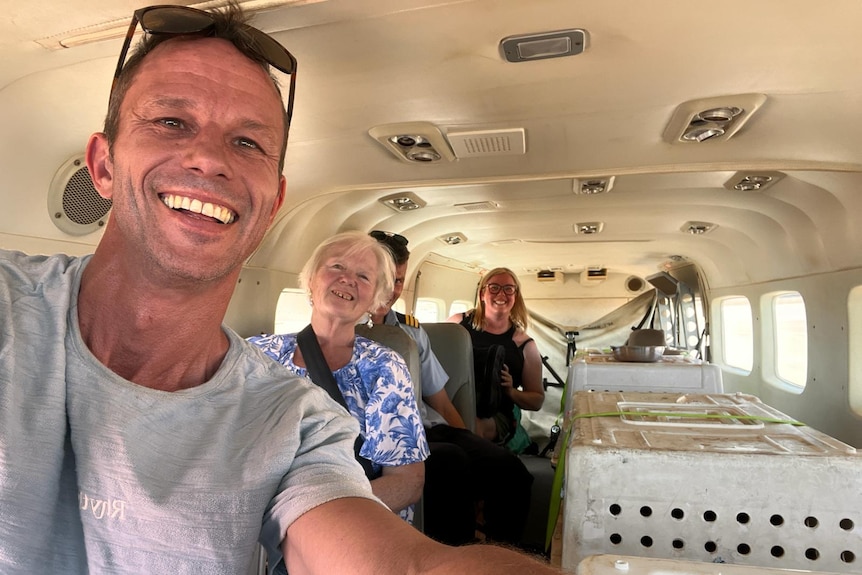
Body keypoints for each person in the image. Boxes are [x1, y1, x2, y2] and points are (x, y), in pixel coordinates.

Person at [0, 4, 564, 574]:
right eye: (171, 122)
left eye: (248, 142)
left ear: (272, 205)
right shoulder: (9, 305)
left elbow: (403, 563)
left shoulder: (296, 419)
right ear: (101, 165)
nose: (209, 158)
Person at [248, 231, 429, 524]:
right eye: (336, 267)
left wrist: (319, 517)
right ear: (310, 279)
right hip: (258, 523)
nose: (347, 279)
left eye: (363, 276)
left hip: (346, 523)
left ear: (374, 299)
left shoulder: (384, 367)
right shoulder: (257, 355)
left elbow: (406, 481)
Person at [370, 231, 534, 547]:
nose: (393, 288)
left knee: (510, 471)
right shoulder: (341, 333)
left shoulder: (412, 334)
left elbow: (440, 401)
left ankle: (501, 559)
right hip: (389, 437)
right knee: (451, 463)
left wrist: (471, 440)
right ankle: (453, 558)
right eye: (386, 277)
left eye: (401, 280)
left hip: (429, 428)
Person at [447, 268, 545, 452]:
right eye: (494, 288)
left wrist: (510, 391)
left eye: (509, 289)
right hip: (450, 402)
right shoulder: (456, 324)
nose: (501, 294)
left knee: (470, 428)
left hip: (496, 414)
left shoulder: (524, 345)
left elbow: (537, 401)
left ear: (516, 296)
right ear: (482, 293)